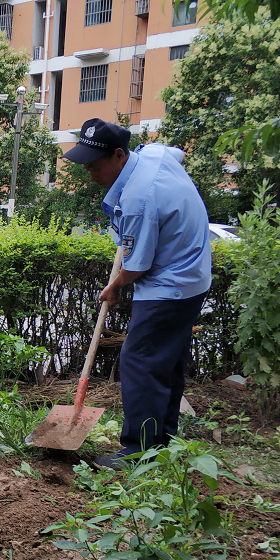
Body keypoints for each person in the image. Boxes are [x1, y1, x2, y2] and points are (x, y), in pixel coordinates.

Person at [62, 118, 211, 470]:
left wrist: (114, 286)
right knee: (166, 362)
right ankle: (162, 442)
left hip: (170, 284)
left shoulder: (138, 199)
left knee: (139, 361)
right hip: (194, 276)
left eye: (95, 166)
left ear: (118, 155)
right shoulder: (153, 155)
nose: (90, 175)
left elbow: (138, 266)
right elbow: (177, 154)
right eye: (86, 167)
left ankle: (138, 451)